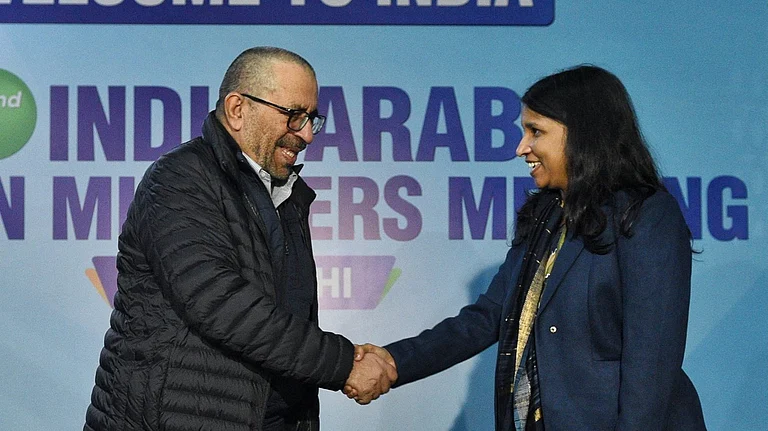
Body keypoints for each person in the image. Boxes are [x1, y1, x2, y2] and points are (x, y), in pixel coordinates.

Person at [350, 65, 707, 430]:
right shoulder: (546, 215)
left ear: (583, 135)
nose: (522, 148)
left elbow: (651, 361)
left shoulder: (646, 214)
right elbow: (486, 317)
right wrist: (394, 361)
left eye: (535, 131)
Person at [84, 46, 396, 431]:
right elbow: (222, 302)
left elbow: (287, 316)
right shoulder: (179, 180)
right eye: (294, 115)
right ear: (237, 109)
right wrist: (343, 364)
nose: (306, 134)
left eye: (312, 118)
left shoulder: (287, 196)